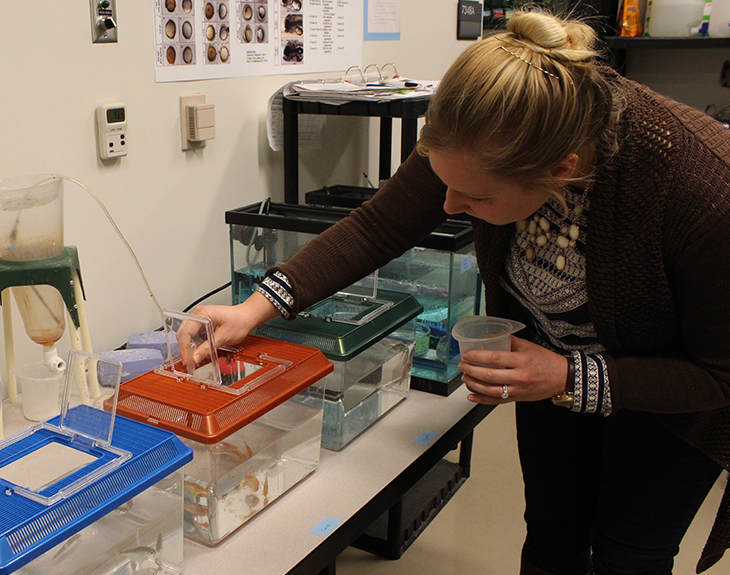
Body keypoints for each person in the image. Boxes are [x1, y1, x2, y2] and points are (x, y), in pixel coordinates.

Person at [181, 10, 730, 574]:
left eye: (476, 199)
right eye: (445, 185)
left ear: (562, 170)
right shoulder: (480, 130)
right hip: (548, 372)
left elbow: (720, 374)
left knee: (630, 553)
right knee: (552, 533)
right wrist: (256, 306)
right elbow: (379, 226)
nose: (448, 208)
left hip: (675, 399)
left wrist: (569, 375)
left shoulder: (701, 188)